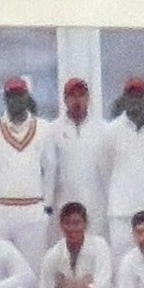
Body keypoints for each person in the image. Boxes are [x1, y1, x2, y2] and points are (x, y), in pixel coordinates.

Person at [0, 74, 56, 275]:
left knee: (33, 267)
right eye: (11, 96)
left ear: (27, 97)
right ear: (4, 98)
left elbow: (51, 167)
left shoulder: (44, 128)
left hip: (32, 209)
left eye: (20, 95)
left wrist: (47, 205)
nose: (16, 100)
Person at [99, 75, 144, 258]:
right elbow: (105, 170)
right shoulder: (110, 130)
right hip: (120, 213)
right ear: (124, 98)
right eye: (131, 96)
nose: (135, 100)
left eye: (139, 96)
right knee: (121, 265)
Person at [46, 74, 107, 234]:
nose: (77, 100)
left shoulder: (104, 129)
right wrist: (48, 203)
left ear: (88, 98)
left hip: (96, 205)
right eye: (72, 96)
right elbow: (49, 169)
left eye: (81, 95)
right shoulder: (52, 130)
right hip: (64, 205)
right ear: (65, 100)